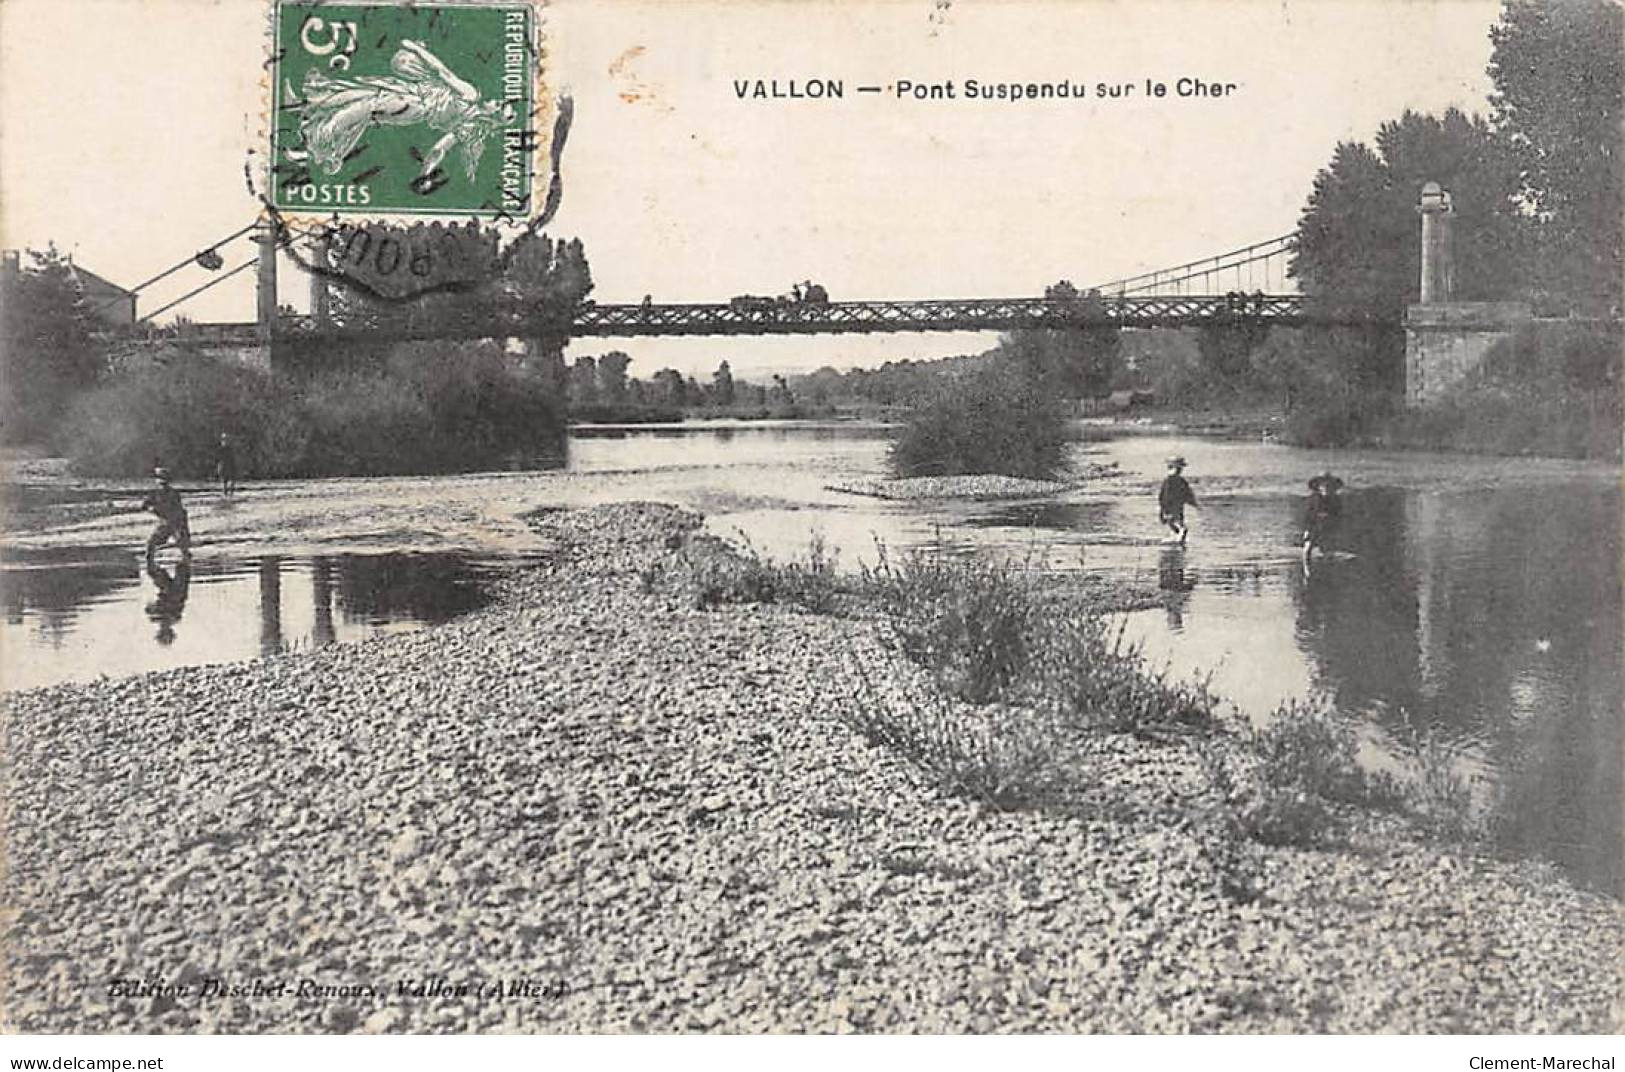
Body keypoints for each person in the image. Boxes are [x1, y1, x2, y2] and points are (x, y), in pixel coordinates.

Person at [142, 467, 191, 563]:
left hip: (175, 522)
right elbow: (144, 505)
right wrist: (151, 509)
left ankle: (185, 565)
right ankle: (151, 565)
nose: (162, 484)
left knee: (182, 545)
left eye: (164, 481)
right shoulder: (154, 493)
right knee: (151, 544)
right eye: (160, 480)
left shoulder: (173, 494)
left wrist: (183, 526)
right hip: (164, 522)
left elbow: (180, 510)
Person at [1302, 470, 1345, 560]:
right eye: (1323, 486)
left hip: (1328, 526)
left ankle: (1328, 562)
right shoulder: (1313, 499)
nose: (1326, 488)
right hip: (1314, 526)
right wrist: (1307, 530)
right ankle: (1307, 566)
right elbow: (1308, 516)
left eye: (1329, 486)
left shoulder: (1336, 500)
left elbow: (1338, 515)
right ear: (1319, 488)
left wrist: (1334, 523)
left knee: (1329, 548)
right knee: (1308, 546)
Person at [1158, 456, 1198, 544]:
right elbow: (1187, 494)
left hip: (1174, 507)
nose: (1180, 470)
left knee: (1176, 526)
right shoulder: (1173, 481)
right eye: (1179, 468)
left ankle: (1176, 541)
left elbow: (1162, 497)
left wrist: (1163, 509)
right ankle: (1178, 542)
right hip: (1173, 507)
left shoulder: (1171, 481)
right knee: (1181, 527)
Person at [214, 432, 238, 497]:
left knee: (231, 481)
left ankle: (230, 494)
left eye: (226, 440)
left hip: (229, 466)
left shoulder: (230, 449)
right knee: (225, 481)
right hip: (223, 466)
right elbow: (217, 458)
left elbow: (233, 458)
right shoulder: (220, 449)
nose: (225, 441)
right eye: (224, 440)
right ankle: (226, 494)